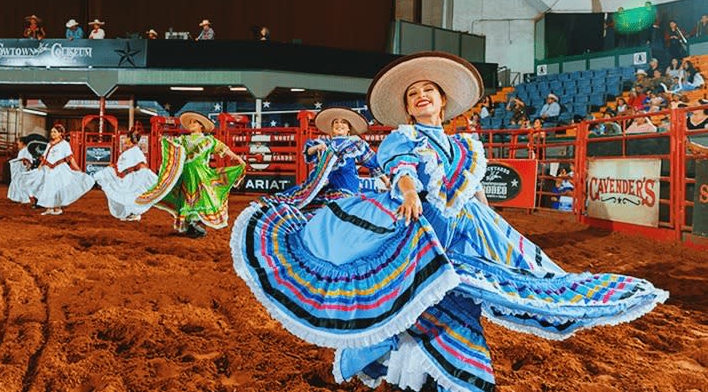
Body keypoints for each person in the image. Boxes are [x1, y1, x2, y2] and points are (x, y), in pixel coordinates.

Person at [230, 52, 667, 392]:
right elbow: (400, 164)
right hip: (418, 234)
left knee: (465, 304)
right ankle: (423, 376)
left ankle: (434, 377)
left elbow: (474, 196)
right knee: (418, 306)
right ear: (407, 107)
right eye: (412, 93)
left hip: (461, 238)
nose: (421, 96)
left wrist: (495, 232)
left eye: (428, 90)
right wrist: (404, 190)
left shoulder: (466, 147)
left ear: (442, 101)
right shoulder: (404, 137)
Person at [136, 112, 245, 238]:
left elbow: (224, 149)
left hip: (202, 174)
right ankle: (190, 225)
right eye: (191, 122)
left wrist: (237, 158)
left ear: (201, 126)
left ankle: (196, 224)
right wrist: (164, 140)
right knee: (186, 199)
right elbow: (173, 146)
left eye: (195, 122)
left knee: (204, 198)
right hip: (186, 173)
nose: (192, 124)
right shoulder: (183, 139)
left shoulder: (209, 140)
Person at [262, 107, 389, 213]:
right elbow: (308, 151)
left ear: (349, 128)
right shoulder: (324, 142)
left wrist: (386, 181)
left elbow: (372, 163)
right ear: (331, 128)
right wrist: (318, 147)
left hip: (346, 184)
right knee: (306, 204)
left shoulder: (357, 144)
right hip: (324, 185)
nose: (339, 125)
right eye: (336, 122)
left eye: (343, 122)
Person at [93, 131, 158, 221]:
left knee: (130, 196)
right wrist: (115, 168)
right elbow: (122, 166)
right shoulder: (128, 152)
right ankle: (129, 213)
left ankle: (134, 213)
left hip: (132, 179)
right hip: (126, 178)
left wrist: (131, 174)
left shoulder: (136, 152)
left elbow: (141, 165)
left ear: (130, 139)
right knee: (125, 195)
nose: (125, 139)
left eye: (127, 137)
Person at [33, 124, 95, 216]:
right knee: (49, 187)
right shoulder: (49, 144)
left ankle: (58, 208)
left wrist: (77, 168)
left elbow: (70, 157)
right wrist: (40, 165)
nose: (52, 134)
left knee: (58, 188)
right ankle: (49, 208)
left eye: (55, 132)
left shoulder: (65, 144)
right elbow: (45, 157)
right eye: (51, 132)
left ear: (61, 133)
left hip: (59, 169)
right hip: (49, 169)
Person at [7, 135, 43, 204]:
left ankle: (27, 199)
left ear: (22, 143)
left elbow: (28, 161)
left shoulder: (26, 150)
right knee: (19, 184)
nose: (17, 145)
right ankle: (21, 199)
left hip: (23, 171)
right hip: (21, 171)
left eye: (18, 143)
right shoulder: (23, 150)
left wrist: (25, 165)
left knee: (23, 185)